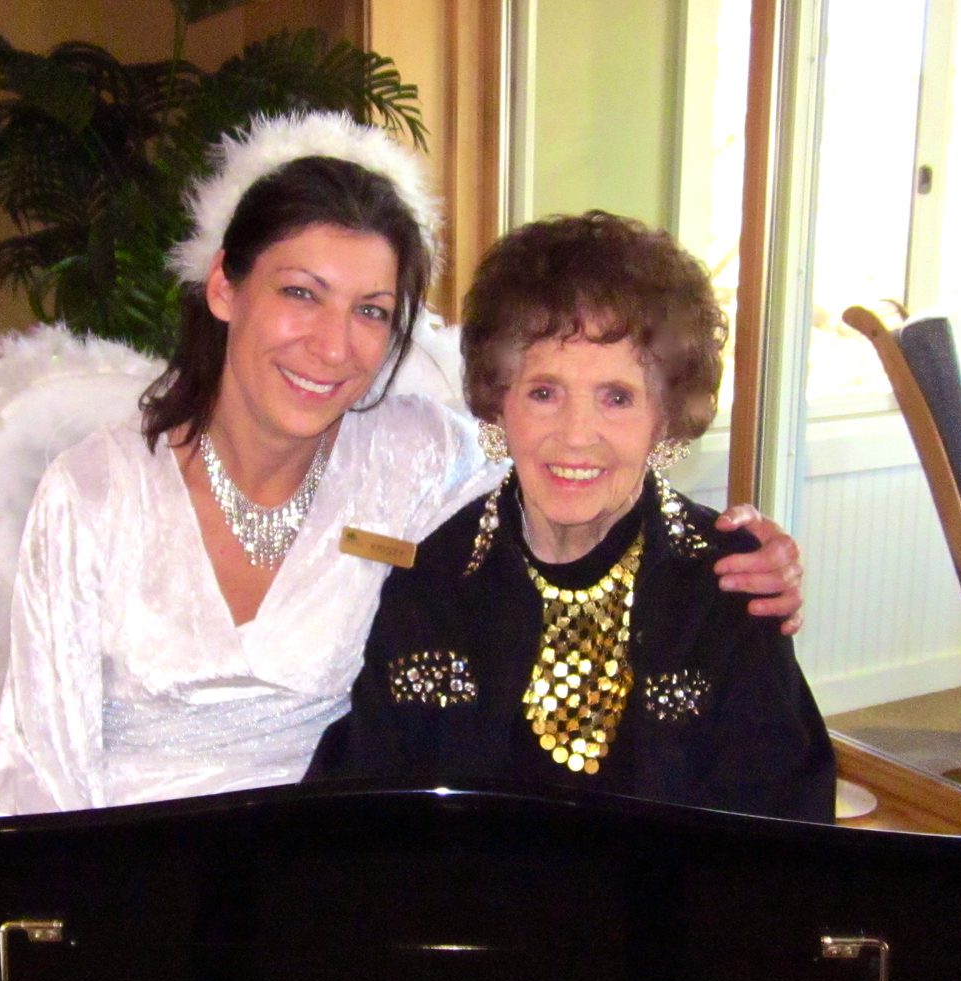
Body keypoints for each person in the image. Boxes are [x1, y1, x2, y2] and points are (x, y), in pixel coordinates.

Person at [0, 113, 805, 814]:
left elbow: (557, 484)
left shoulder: (413, 459)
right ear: (225, 287)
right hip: (135, 864)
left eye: (371, 310)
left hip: (325, 863)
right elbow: (39, 773)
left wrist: (753, 548)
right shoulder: (94, 494)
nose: (332, 344)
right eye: (300, 293)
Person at [306, 211, 835, 823]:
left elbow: (782, 832)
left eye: (617, 397)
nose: (576, 436)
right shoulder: (435, 578)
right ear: (498, 403)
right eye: (544, 392)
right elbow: (370, 811)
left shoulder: (727, 583)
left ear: (664, 417)